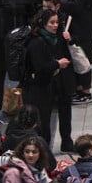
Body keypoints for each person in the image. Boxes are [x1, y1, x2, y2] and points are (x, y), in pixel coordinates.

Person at [24, 8, 75, 152]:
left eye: (57, 22)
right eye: (51, 23)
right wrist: (58, 64)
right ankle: (42, 151)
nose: (55, 25)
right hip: (39, 88)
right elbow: (39, 66)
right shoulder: (37, 42)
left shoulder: (55, 38)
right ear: (43, 24)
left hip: (54, 84)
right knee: (43, 122)